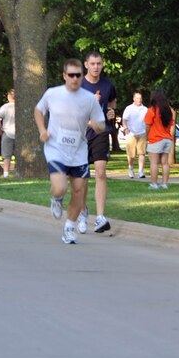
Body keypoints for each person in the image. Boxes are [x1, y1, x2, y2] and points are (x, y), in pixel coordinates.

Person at [34, 59, 106, 244]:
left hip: (79, 151)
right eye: (71, 75)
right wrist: (42, 130)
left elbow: (100, 124)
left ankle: (69, 228)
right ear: (65, 76)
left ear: (82, 76)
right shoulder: (53, 93)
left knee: (78, 191)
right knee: (60, 187)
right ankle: (56, 198)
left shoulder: (89, 98)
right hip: (56, 148)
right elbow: (38, 110)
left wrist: (98, 126)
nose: (75, 78)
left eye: (78, 75)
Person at [78, 50, 117, 234]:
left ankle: (100, 217)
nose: (96, 67)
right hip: (81, 134)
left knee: (101, 172)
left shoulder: (107, 85)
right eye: (92, 64)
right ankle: (83, 211)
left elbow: (112, 104)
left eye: (99, 63)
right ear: (86, 65)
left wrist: (111, 113)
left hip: (101, 132)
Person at [145, 90, 175, 190]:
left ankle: (154, 184)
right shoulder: (169, 111)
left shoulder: (152, 110)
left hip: (156, 138)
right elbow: (171, 125)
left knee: (154, 163)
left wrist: (146, 136)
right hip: (167, 139)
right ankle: (165, 184)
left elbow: (148, 125)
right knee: (165, 163)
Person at [121, 92, 148, 179]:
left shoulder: (145, 109)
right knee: (131, 154)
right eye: (137, 98)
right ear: (133, 99)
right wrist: (126, 129)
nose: (139, 100)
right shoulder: (129, 108)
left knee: (142, 153)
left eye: (140, 98)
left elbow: (148, 121)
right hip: (131, 133)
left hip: (142, 132)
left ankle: (140, 171)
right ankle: (131, 167)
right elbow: (124, 119)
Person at [0, 89, 16, 178]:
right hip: (19, 134)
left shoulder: (5, 107)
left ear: (8, 97)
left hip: (8, 132)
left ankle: (6, 174)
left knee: (7, 155)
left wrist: (0, 128)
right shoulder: (21, 107)